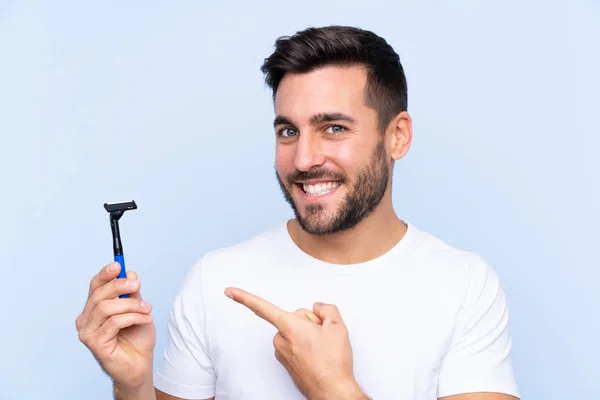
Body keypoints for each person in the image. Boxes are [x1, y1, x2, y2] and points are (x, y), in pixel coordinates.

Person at [76, 26, 520, 400]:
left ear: (397, 137)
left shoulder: (463, 286)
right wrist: (133, 385)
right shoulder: (216, 279)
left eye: (333, 128)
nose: (304, 159)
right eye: (288, 130)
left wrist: (330, 385)